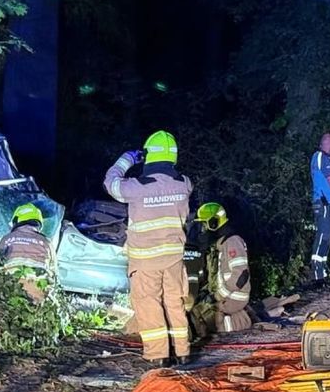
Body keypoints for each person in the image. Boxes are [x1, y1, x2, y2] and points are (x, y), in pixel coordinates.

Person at [105, 130, 194, 366]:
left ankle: (158, 355)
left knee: (148, 304)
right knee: (174, 302)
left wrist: (126, 159)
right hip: (174, 258)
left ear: (148, 156)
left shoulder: (137, 187)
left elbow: (111, 183)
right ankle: (182, 352)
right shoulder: (184, 184)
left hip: (145, 261)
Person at [196, 202, 252, 333]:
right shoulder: (222, 243)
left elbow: (241, 275)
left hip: (234, 296)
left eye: (204, 224)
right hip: (227, 294)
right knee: (199, 310)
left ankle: (238, 322)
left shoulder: (232, 242)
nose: (203, 229)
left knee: (205, 318)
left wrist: (218, 295)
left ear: (213, 223)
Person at [0, 203, 53, 303]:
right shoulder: (46, 242)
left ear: (16, 221)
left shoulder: (7, 238)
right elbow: (53, 270)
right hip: (37, 284)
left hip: (13, 281)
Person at [309, 133, 330, 285]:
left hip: (327, 203)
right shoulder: (321, 157)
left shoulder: (324, 158)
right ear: (325, 142)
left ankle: (322, 272)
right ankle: (317, 273)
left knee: (326, 237)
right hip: (323, 202)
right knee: (323, 235)